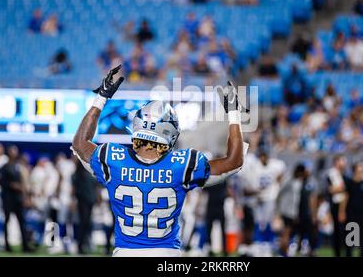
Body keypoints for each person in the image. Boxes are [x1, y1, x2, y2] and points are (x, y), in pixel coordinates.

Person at [71, 66, 246, 257]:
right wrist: (234, 113)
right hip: (166, 254)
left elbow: (80, 143)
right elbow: (234, 162)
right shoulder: (182, 164)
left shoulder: (113, 159)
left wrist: (101, 98)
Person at [0, 145, 32, 252]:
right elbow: (2, 182)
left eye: (15, 152)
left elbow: (23, 182)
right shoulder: (4, 167)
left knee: (22, 222)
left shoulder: (18, 166)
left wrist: (24, 195)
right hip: (8, 198)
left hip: (18, 198)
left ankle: (25, 246)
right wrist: (12, 185)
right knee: (7, 222)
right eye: (12, 152)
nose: (14, 154)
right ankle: (7, 245)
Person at [338, 162, 363, 257]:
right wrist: (342, 211)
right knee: (351, 238)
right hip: (351, 213)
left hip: (362, 213)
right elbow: (345, 198)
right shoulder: (350, 183)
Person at [72, 159, 96, 255]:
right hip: (86, 202)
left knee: (84, 224)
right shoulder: (87, 175)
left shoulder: (76, 175)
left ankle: (82, 245)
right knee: (84, 224)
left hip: (83, 202)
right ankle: (81, 245)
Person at [325, 154, 347, 257]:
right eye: (342, 161)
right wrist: (341, 188)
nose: (344, 163)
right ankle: (337, 253)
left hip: (346, 204)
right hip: (336, 204)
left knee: (351, 228)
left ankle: (350, 252)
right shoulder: (332, 173)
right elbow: (331, 189)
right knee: (338, 231)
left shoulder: (345, 174)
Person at [203, 181, 228, 256]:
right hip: (212, 206)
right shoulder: (211, 179)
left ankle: (224, 249)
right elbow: (204, 190)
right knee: (209, 230)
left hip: (219, 206)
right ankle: (209, 248)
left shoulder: (222, 180)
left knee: (222, 229)